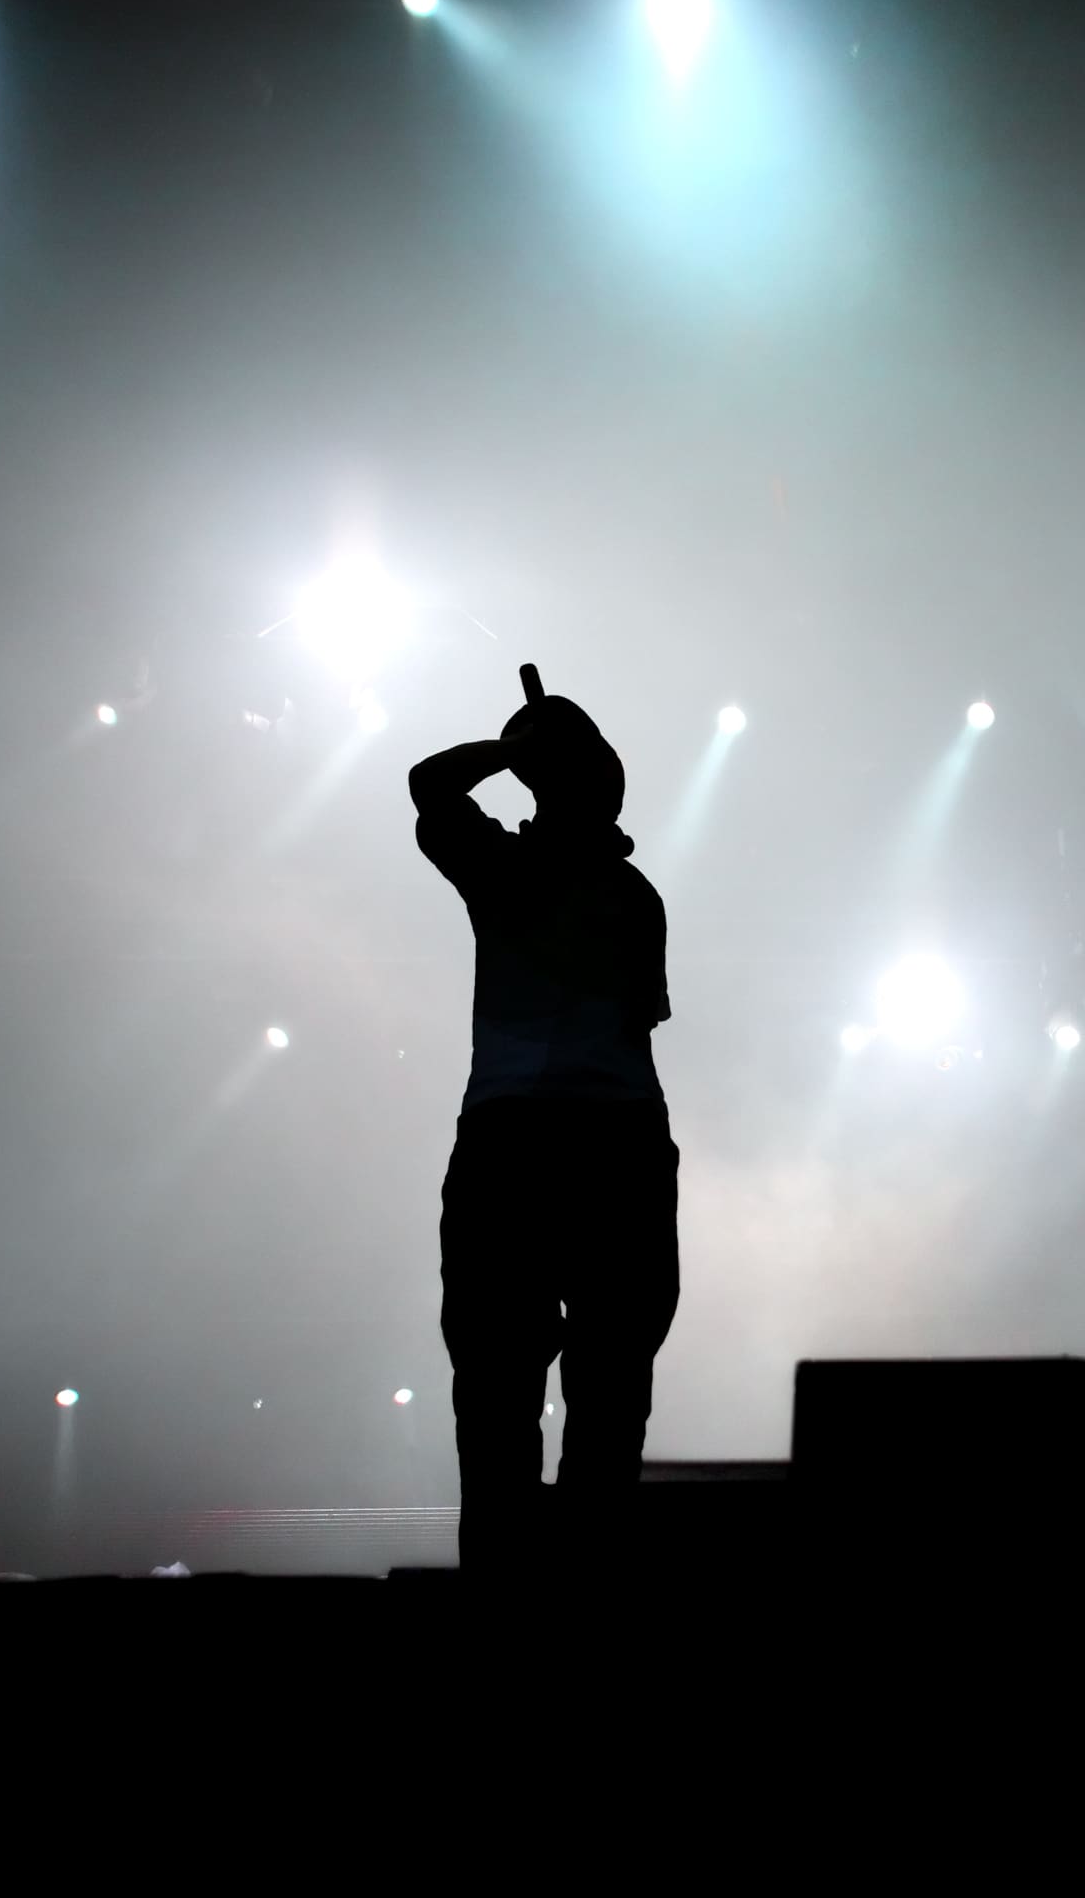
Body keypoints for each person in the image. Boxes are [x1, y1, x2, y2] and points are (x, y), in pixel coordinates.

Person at [410, 670, 678, 1577]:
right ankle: (542, 1582)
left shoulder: (566, 882)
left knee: (546, 1390)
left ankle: (542, 1581)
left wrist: (518, 752)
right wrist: (524, 750)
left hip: (554, 1142)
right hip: (574, 1143)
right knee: (542, 1391)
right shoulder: (555, 877)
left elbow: (432, 789)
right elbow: (429, 788)